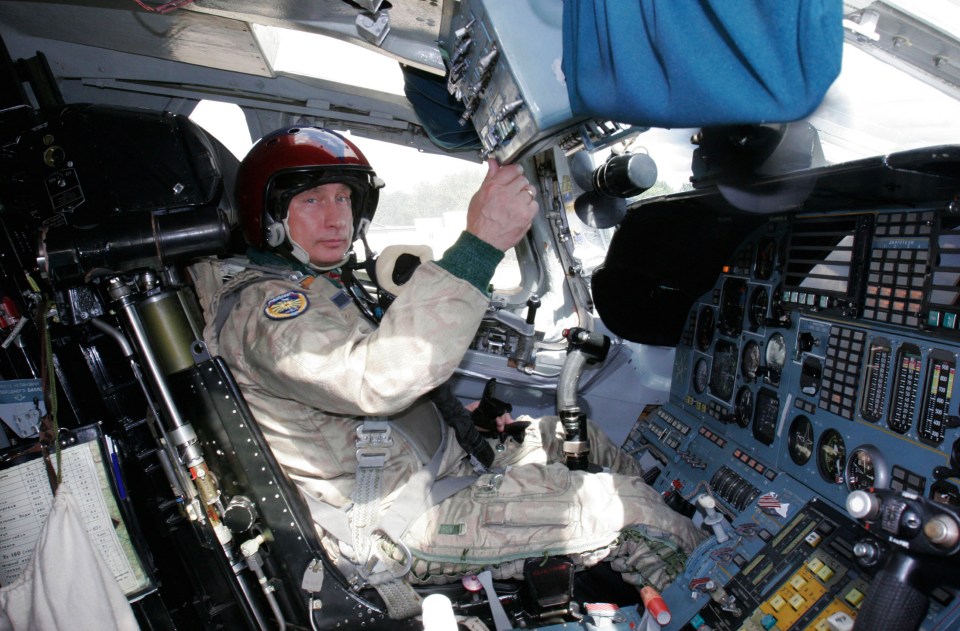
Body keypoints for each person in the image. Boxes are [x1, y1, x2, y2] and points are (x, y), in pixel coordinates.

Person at [200, 126, 704, 619]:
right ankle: (717, 598)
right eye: (311, 201)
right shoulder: (269, 310)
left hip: (431, 471)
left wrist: (465, 425)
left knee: (580, 439)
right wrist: (480, 245)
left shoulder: (311, 285)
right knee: (635, 514)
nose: (336, 219)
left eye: (343, 199)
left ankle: (657, 570)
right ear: (267, 215)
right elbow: (377, 378)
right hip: (399, 517)